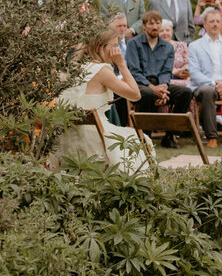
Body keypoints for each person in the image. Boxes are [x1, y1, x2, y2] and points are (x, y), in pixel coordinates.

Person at [50, 28, 151, 172]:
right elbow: (135, 95)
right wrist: (122, 64)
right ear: (99, 48)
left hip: (71, 140)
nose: (117, 51)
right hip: (94, 138)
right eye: (114, 46)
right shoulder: (101, 70)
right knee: (138, 138)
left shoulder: (77, 69)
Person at [125, 11, 194, 146]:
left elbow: (166, 71)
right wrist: (152, 88)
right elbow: (134, 71)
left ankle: (170, 135)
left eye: (157, 23)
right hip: (140, 84)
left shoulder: (167, 47)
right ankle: (145, 138)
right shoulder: (133, 43)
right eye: (151, 24)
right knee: (148, 94)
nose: (155, 27)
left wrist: (163, 87)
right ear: (144, 26)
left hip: (159, 84)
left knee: (185, 93)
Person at [187, 7, 222, 149]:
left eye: (217, 21)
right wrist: (215, 84)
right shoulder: (195, 46)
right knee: (208, 92)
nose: (215, 24)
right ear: (205, 24)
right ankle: (212, 137)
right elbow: (194, 72)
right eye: (211, 21)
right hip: (204, 84)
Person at [160, 19, 191, 88]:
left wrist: (183, 72)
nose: (165, 33)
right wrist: (174, 72)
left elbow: (188, 63)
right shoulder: (155, 48)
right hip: (166, 80)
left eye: (167, 30)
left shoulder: (182, 45)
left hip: (183, 78)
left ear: (172, 32)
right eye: (161, 31)